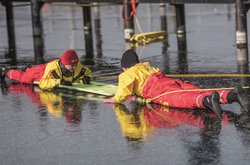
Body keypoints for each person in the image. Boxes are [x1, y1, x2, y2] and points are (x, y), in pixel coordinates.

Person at [112, 49, 250, 117]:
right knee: (193, 90)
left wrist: (115, 100)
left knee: (181, 98)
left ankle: (206, 100)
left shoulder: (126, 74)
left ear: (125, 67)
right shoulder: (145, 66)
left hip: (156, 90)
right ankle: (231, 95)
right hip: (169, 81)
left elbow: (122, 93)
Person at [0, 49, 92, 90]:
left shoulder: (77, 65)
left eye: (76, 64)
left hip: (47, 71)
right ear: (64, 64)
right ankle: (5, 71)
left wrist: (87, 77)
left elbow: (87, 72)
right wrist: (58, 82)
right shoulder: (53, 68)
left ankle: (29, 69)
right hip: (42, 73)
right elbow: (43, 84)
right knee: (24, 78)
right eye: (72, 65)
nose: (75, 67)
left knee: (29, 72)